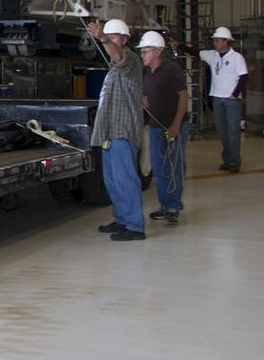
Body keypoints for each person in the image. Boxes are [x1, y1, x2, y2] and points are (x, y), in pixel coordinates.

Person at [88, 18, 146, 241]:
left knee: (125, 179)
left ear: (123, 40)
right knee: (112, 179)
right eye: (107, 37)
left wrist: (102, 38)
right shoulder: (113, 68)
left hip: (123, 131)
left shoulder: (130, 59)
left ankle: (134, 226)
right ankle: (122, 218)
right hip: (110, 132)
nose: (108, 42)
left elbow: (118, 56)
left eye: (113, 37)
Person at [138, 31, 188, 224]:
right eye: (141, 51)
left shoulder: (172, 69)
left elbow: (183, 97)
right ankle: (164, 205)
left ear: (158, 51)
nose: (142, 54)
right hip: (155, 126)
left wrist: (176, 124)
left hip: (174, 126)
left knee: (174, 165)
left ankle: (174, 205)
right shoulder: (144, 71)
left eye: (146, 51)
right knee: (158, 168)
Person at [195, 26, 248, 173]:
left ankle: (234, 162)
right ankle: (227, 158)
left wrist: (235, 93)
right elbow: (196, 53)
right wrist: (179, 46)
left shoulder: (237, 58)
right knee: (222, 130)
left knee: (233, 131)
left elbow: (244, 77)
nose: (215, 43)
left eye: (218, 40)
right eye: (215, 40)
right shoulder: (212, 55)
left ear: (226, 42)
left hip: (231, 100)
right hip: (217, 98)